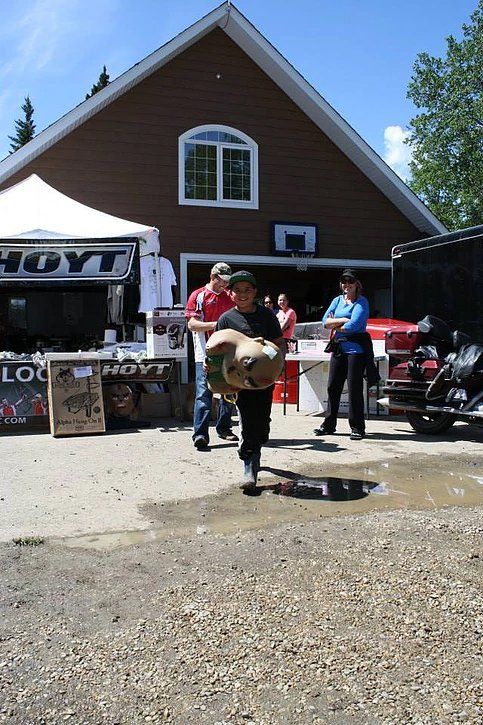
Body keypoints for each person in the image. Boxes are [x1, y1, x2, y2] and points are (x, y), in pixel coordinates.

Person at [216, 271, 285, 491]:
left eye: (247, 290)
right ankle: (249, 465)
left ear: (255, 292)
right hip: (239, 381)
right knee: (247, 419)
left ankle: (255, 443)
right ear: (231, 293)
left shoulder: (266, 316)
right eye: (237, 290)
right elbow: (217, 351)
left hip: (264, 379)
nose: (242, 294)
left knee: (261, 424)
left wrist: (265, 351)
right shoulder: (226, 319)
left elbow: (278, 346)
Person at [185, 262, 238, 450]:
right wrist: (217, 325)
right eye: (222, 281)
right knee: (203, 393)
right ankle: (200, 434)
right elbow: (192, 324)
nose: (224, 285)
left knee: (228, 391)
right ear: (213, 276)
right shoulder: (198, 295)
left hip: (227, 352)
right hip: (204, 352)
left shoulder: (229, 298)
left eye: (227, 282)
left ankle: (224, 428)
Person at [314, 268, 370, 441]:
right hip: (338, 348)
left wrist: (336, 324)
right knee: (333, 387)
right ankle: (329, 425)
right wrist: (344, 320)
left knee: (354, 389)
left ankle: (357, 427)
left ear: (357, 284)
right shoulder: (337, 300)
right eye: (344, 281)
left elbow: (353, 327)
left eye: (350, 281)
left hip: (356, 350)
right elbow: (324, 322)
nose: (347, 285)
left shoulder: (362, 302)